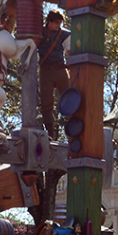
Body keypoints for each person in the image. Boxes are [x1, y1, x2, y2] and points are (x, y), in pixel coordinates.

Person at [38, 9, 71, 139]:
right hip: (45, 71)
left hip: (60, 69)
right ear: (49, 22)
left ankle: (74, 127)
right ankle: (50, 133)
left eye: (60, 22)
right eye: (56, 22)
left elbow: (69, 50)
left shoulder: (64, 34)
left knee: (69, 97)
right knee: (46, 103)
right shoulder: (38, 32)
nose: (58, 25)